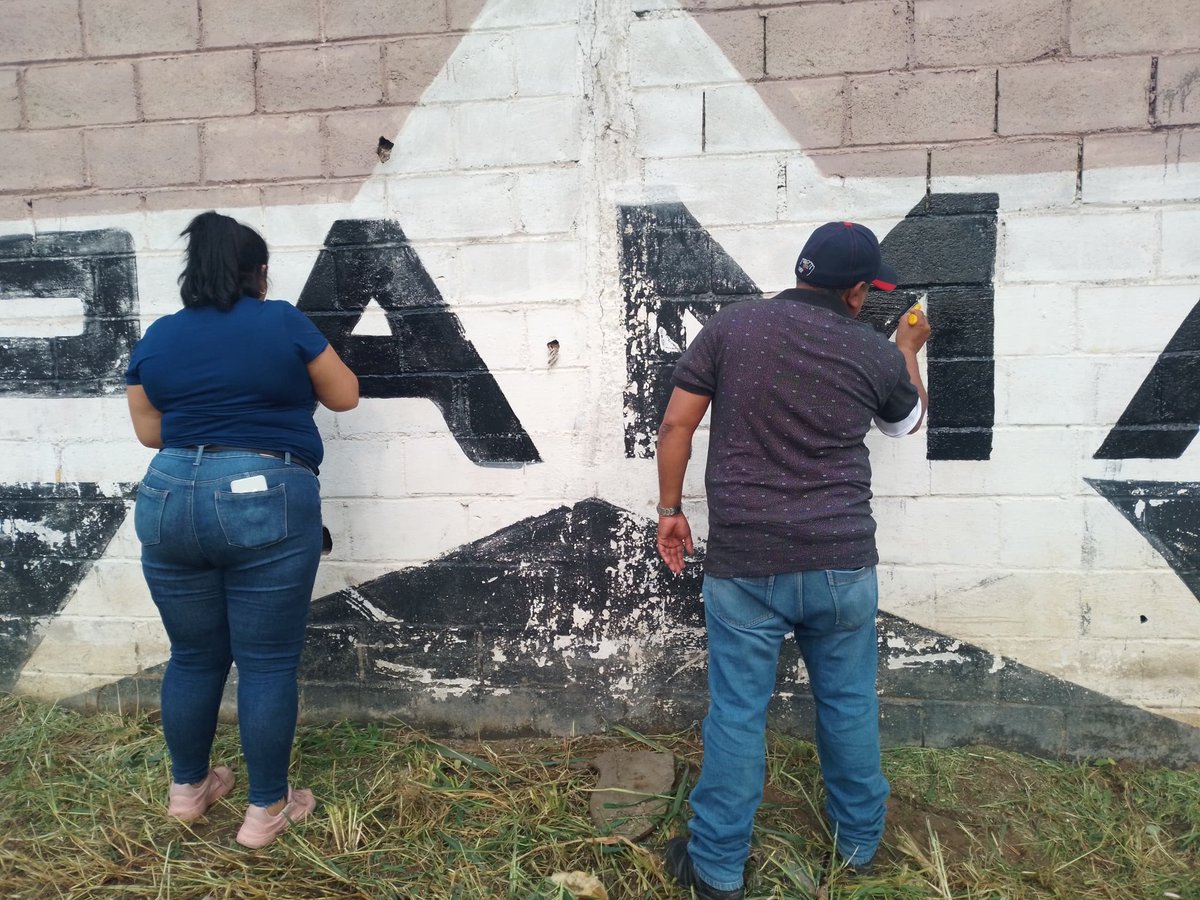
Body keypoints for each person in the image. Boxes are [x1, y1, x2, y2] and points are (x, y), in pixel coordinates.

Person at [655, 221, 930, 898]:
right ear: (857, 292)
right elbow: (905, 423)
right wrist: (907, 350)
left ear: (803, 272)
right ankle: (858, 846)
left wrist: (670, 510)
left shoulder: (733, 327)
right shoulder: (873, 352)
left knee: (737, 713)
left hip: (746, 562)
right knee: (848, 702)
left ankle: (717, 868)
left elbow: (676, 425)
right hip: (841, 563)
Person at [125, 211, 359, 848]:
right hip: (264, 491)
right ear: (258, 271)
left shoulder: (159, 336)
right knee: (266, 662)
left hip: (168, 493)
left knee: (193, 656)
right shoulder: (281, 320)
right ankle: (266, 810)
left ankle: (188, 790)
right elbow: (344, 395)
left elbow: (150, 432)